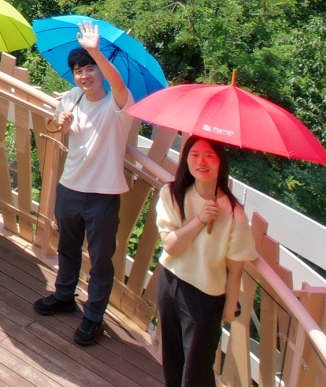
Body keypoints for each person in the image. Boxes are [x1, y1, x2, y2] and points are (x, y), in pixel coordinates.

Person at [33, 20, 134, 346]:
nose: (84, 75)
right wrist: (60, 123)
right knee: (67, 247)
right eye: (78, 70)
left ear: (101, 71)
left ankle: (93, 316)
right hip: (70, 187)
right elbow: (54, 127)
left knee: (101, 260)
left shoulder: (118, 102)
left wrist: (95, 50)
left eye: (90, 68)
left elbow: (118, 84)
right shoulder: (72, 98)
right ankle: (64, 294)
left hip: (103, 194)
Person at [156, 136, 257, 387]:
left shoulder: (234, 214)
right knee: (172, 361)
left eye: (209, 156)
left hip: (204, 297)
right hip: (169, 281)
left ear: (221, 163)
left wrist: (229, 307)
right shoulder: (172, 193)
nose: (201, 162)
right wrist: (200, 219)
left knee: (196, 373)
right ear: (186, 159)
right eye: (195, 155)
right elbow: (170, 246)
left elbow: (235, 270)